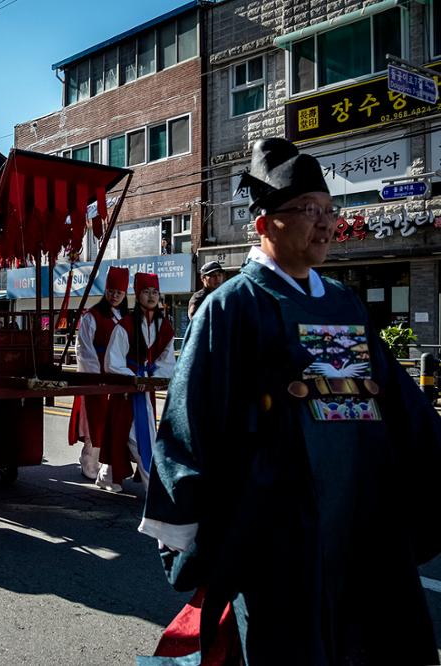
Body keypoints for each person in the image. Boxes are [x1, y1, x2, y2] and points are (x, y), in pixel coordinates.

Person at [140, 138, 441, 664]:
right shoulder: (232, 307)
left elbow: (399, 402)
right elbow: (189, 422)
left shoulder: (344, 302)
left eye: (329, 210)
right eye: (308, 211)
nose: (325, 223)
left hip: (360, 522)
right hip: (278, 533)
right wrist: (183, 529)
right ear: (264, 224)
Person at [102, 273, 176, 491]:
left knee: (132, 435)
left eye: (155, 292)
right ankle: (154, 486)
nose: (151, 296)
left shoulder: (165, 326)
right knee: (129, 434)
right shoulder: (125, 325)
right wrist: (135, 377)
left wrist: (152, 379)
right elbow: (112, 361)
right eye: (146, 291)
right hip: (128, 387)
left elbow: (166, 359)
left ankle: (107, 476)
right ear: (137, 295)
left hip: (145, 389)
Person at [67, 266, 129, 483]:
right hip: (98, 373)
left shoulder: (127, 317)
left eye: (119, 293)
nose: (114, 296)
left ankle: (110, 467)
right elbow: (83, 348)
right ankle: (89, 463)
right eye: (111, 291)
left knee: (117, 422)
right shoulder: (92, 316)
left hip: (122, 374)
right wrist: (96, 376)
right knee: (96, 420)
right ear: (106, 291)